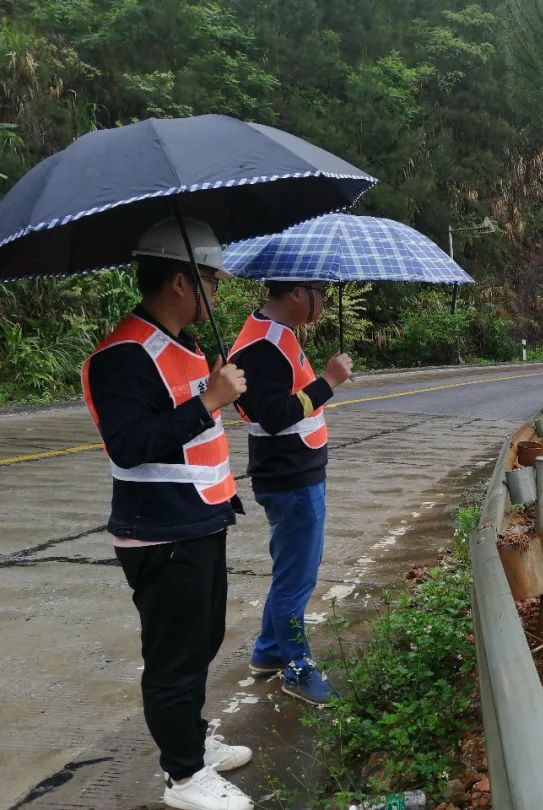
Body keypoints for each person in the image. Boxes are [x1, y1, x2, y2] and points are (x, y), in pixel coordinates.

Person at [82, 218, 255, 810]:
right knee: (173, 658)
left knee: (201, 641)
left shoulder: (184, 345)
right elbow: (128, 444)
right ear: (181, 281)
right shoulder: (122, 356)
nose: (217, 291)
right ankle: (184, 777)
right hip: (159, 531)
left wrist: (216, 396)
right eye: (211, 279)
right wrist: (209, 399)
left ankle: (193, 743)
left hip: (201, 519)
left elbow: (192, 430)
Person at [227, 277, 352, 705]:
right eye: (321, 293)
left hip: (296, 471)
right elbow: (276, 414)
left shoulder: (276, 334)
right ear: (298, 293)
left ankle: (268, 652)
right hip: (289, 477)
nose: (322, 303)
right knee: (295, 579)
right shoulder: (263, 346)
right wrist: (328, 382)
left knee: (293, 571)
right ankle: (296, 669)